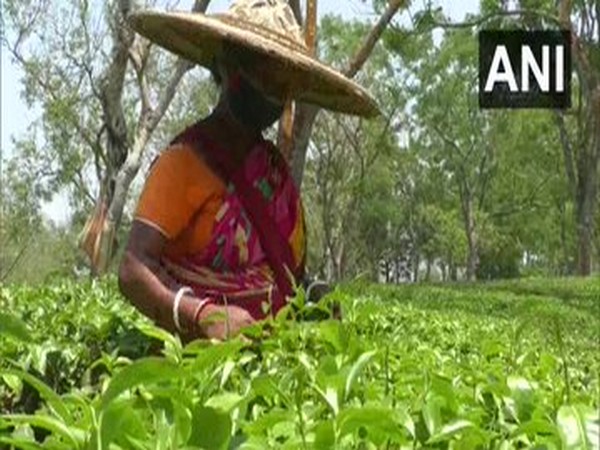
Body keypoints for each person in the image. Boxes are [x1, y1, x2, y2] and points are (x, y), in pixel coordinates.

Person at [118, 0, 378, 342]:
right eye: (264, 71)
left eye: (284, 81)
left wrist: (313, 291)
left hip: (274, 367)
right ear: (227, 66)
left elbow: (283, 273)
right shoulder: (184, 162)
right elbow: (134, 269)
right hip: (196, 369)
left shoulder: (274, 174)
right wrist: (203, 315)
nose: (273, 90)